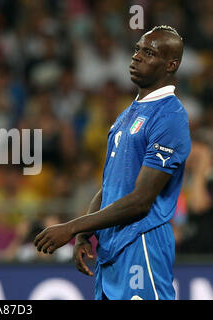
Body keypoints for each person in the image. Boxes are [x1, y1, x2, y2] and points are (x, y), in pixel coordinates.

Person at [34, 26, 191, 300]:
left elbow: (141, 201)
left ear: (171, 64)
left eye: (149, 52)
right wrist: (85, 235)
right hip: (111, 252)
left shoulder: (170, 117)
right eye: (137, 49)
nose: (137, 57)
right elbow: (109, 187)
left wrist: (72, 227)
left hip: (142, 244)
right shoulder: (126, 114)